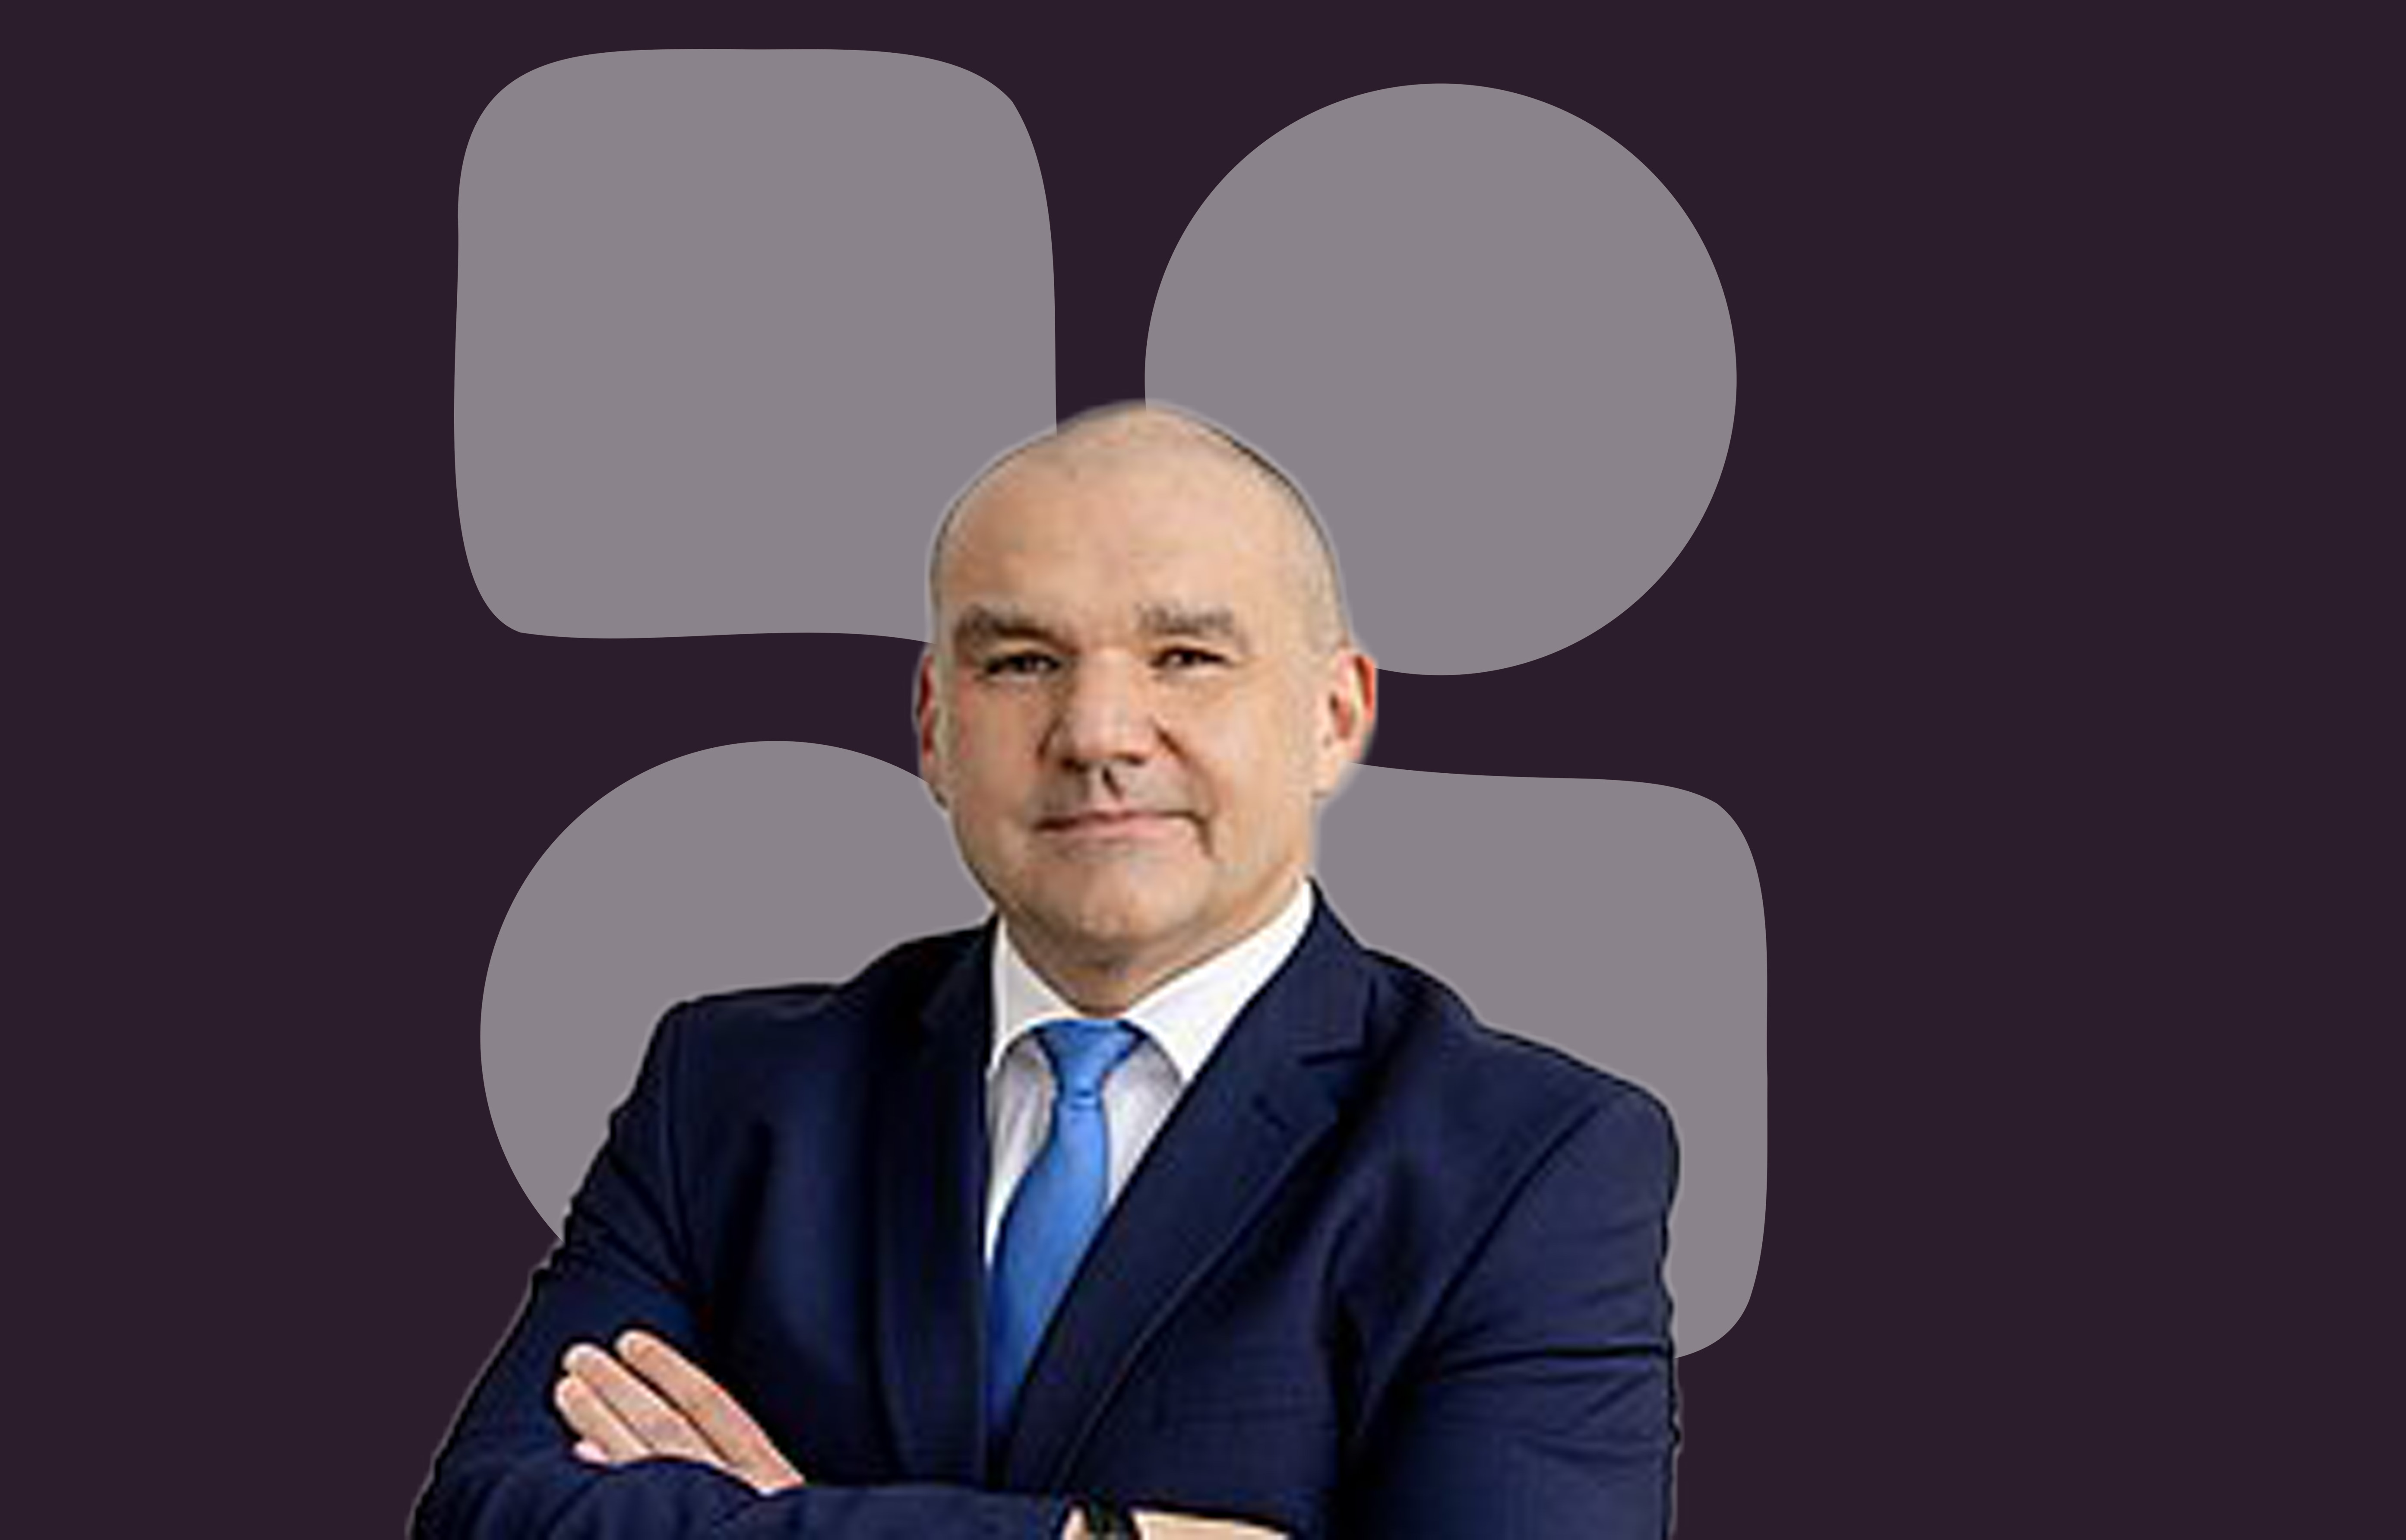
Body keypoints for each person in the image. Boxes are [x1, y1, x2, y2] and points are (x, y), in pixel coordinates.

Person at [416, 404, 1680, 1539]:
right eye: (1022, 661)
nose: (1097, 733)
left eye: (1187, 655)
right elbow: (490, 1515)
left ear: (1333, 717)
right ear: (931, 726)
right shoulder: (729, 1094)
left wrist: (787, 1521)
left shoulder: (1532, 1161)